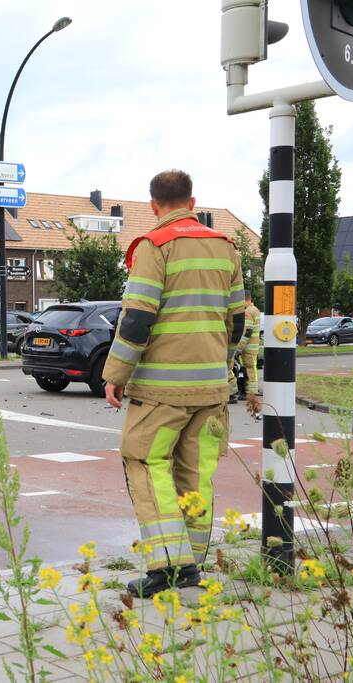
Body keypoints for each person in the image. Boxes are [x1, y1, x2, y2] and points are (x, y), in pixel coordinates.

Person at [102, 169, 245, 598]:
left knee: (145, 462)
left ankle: (167, 566)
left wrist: (115, 375)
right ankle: (193, 567)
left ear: (153, 206)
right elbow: (236, 322)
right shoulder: (227, 249)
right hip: (211, 389)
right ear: (192, 200)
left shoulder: (155, 247)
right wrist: (222, 367)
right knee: (196, 473)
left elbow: (137, 320)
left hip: (162, 391)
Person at [228, 292, 261, 401]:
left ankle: (250, 392)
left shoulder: (247, 311)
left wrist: (238, 348)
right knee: (251, 369)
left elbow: (246, 331)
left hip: (247, 347)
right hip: (252, 346)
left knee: (249, 369)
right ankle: (251, 391)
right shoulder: (254, 310)